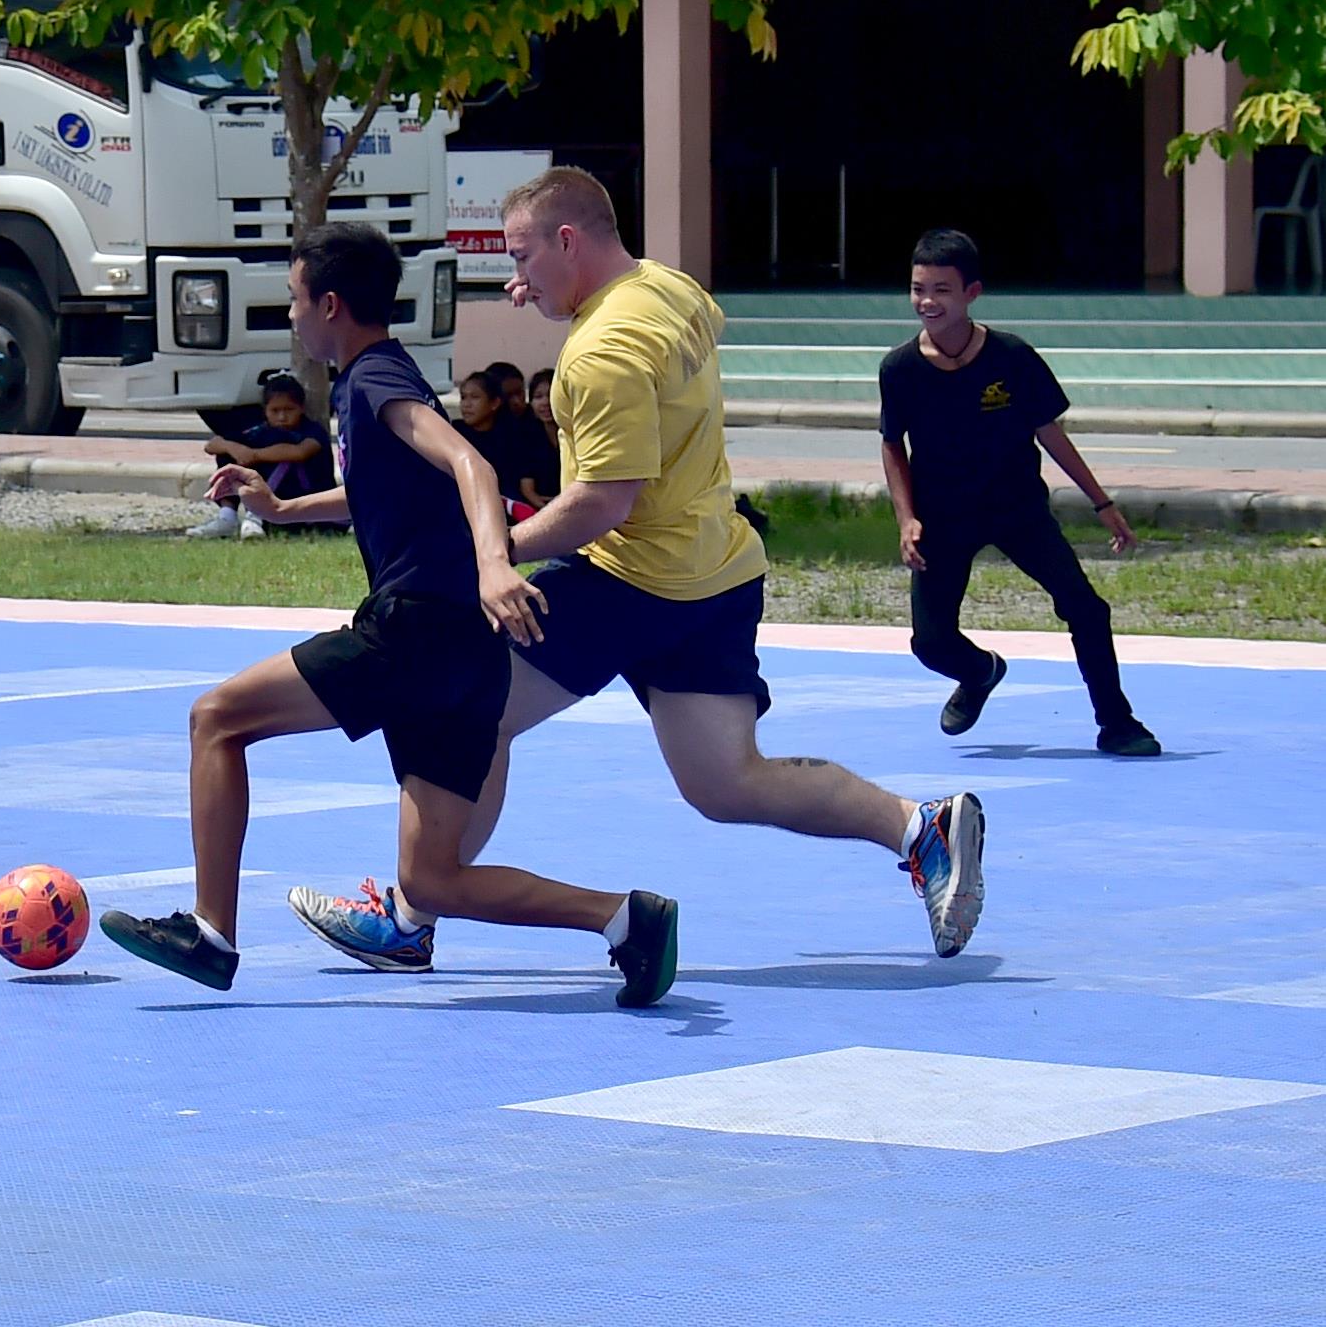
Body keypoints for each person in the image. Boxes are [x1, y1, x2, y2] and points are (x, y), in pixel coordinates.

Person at [289, 168, 988, 991]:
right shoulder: (671, 289)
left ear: (568, 242)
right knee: (726, 784)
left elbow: (601, 506)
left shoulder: (598, 355)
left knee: (464, 703)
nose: (516, 281)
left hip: (629, 581)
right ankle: (918, 828)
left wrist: (489, 554)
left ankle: (410, 918)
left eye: (522, 256)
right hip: (715, 567)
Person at [99, 223, 590, 994]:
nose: (290, 315)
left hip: (412, 630)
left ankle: (209, 934)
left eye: (294, 299)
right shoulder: (382, 376)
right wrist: (281, 509)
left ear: (329, 305)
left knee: (215, 720)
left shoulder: (373, 382)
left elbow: (468, 461)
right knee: (431, 884)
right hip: (469, 651)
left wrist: (495, 563)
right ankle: (625, 918)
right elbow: (382, 493)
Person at [880, 229, 1160, 755]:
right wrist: (906, 517)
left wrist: (1103, 504)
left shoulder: (1011, 356)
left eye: (941, 289)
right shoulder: (899, 369)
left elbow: (1050, 432)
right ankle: (981, 672)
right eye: (918, 289)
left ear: (972, 293)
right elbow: (893, 444)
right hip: (942, 516)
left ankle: (1118, 722)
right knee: (930, 642)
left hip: (1016, 509)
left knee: (1086, 608)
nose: (927, 301)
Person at [186, 373, 334, 539]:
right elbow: (212, 445)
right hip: (272, 500)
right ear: (265, 410)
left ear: (301, 408)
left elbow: (301, 451)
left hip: (301, 499)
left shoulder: (311, 430)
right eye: (275, 411)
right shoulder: (259, 430)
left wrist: (254, 455)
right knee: (230, 452)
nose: (282, 417)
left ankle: (256, 516)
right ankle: (227, 516)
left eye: (289, 410)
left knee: (277, 445)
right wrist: (233, 448)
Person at [454, 368, 538, 508]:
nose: (467, 404)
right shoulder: (455, 433)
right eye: (463, 397)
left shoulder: (513, 436)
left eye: (475, 397)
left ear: (494, 403)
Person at [521, 366, 563, 506]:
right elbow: (527, 488)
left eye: (551, 396)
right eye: (538, 397)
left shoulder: (576, 435)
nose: (545, 402)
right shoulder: (528, 438)